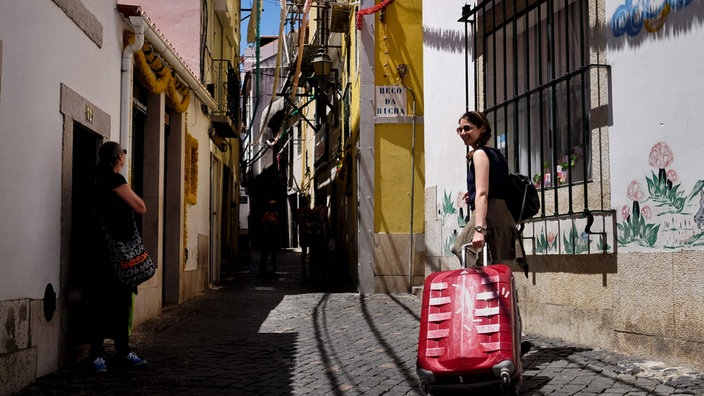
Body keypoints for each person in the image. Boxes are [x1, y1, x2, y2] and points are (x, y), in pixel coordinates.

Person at [86, 141, 147, 373]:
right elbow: (141, 207)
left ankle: (97, 356)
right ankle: (123, 352)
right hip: (118, 255)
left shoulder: (95, 179)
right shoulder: (115, 180)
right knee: (121, 303)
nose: (125, 155)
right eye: (123, 152)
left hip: (97, 250)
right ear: (118, 158)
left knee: (98, 303)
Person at [452, 111, 520, 265]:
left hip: (487, 217)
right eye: (460, 129)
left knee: (461, 249)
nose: (463, 133)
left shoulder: (480, 154)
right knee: (497, 272)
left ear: (482, 128)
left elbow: (483, 194)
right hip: (503, 219)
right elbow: (496, 185)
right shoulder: (497, 154)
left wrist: (479, 230)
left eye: (467, 128)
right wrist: (473, 192)